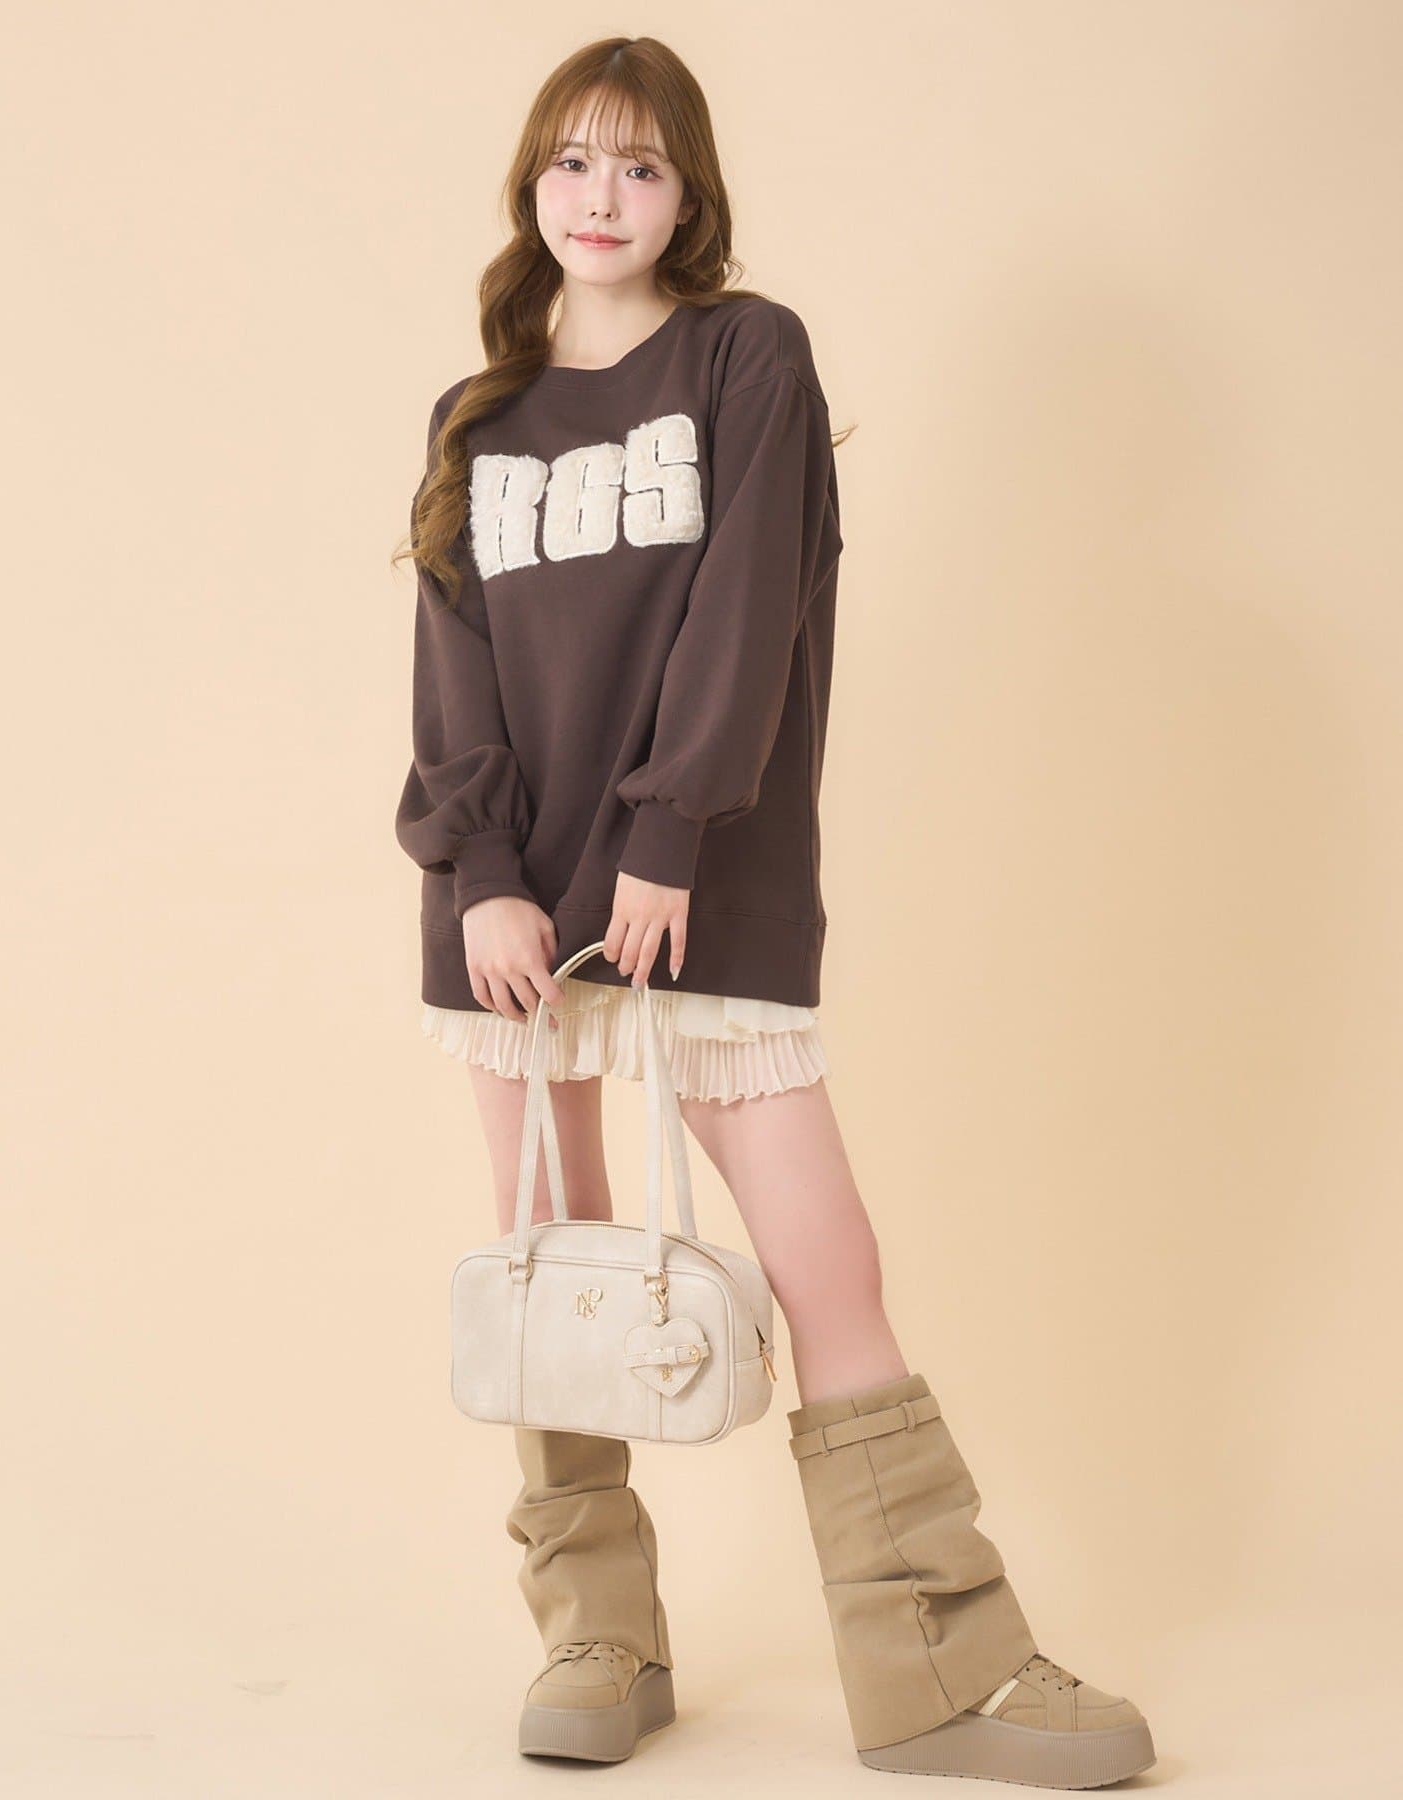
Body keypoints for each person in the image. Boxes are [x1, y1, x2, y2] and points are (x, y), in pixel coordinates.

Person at [393, 34, 1156, 1788]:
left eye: (640, 166)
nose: (601, 196)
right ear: (531, 184)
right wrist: (482, 878)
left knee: (829, 1266)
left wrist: (667, 832)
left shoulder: (748, 356)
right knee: (551, 1258)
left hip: (696, 881)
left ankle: (940, 1666)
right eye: (573, 161)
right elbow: (451, 674)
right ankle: (598, 1633)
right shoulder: (475, 418)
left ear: (690, 195)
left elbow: (750, 611)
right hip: (511, 919)